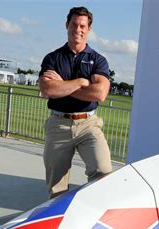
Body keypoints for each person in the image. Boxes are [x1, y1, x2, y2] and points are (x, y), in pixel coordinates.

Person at [39, 6, 112, 199]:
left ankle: (91, 214)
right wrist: (81, 82)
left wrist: (62, 86)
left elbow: (100, 93)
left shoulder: (98, 60)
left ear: (89, 29)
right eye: (74, 24)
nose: (77, 29)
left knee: (103, 172)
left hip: (88, 124)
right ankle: (60, 223)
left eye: (82, 26)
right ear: (67, 25)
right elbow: (48, 89)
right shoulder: (53, 58)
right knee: (56, 186)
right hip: (58, 125)